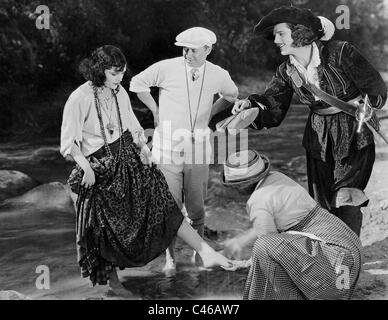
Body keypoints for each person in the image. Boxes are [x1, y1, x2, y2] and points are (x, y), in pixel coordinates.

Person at [60, 45, 233, 297]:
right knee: (103, 226)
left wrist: (144, 149)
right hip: (96, 166)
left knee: (162, 203)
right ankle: (113, 282)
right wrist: (85, 167)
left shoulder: (118, 92)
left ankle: (207, 253)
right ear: (99, 71)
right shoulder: (79, 98)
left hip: (128, 155)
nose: (119, 78)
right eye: (113, 73)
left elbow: (131, 124)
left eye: (122, 72)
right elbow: (68, 144)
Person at [232, 6, 387, 237]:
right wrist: (252, 106)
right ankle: (331, 253)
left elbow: (377, 89)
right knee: (323, 203)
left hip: (354, 133)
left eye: (280, 33)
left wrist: (368, 106)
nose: (275, 40)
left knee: (347, 196)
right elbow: (274, 107)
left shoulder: (341, 52)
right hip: (317, 139)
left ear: (300, 32)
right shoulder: (285, 71)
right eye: (274, 35)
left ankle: (348, 255)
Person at [130, 27, 239, 273]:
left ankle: (196, 255)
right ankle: (170, 259)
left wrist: (210, 112)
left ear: (207, 50)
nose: (187, 54)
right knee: (170, 208)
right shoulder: (166, 67)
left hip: (198, 150)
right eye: (184, 49)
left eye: (192, 49)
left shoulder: (217, 74)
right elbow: (137, 84)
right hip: (166, 149)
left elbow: (232, 95)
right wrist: (155, 110)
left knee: (197, 209)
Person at [221, 149, 362, 300]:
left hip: (334, 276)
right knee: (274, 246)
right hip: (350, 259)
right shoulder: (278, 177)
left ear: (242, 185)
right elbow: (271, 228)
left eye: (233, 186)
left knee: (263, 248)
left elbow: (268, 243)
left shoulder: (257, 201)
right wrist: (240, 242)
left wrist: (246, 263)